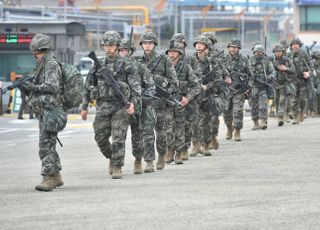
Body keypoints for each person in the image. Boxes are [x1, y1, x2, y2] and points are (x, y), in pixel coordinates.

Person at [81, 31, 141, 179]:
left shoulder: (127, 64)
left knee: (118, 138)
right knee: (100, 137)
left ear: (117, 46)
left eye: (111, 45)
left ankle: (117, 166)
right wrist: (84, 107)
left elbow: (135, 87)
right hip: (102, 106)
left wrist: (133, 103)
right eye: (106, 45)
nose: (108, 48)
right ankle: (112, 157)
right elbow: (88, 85)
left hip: (120, 107)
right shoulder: (98, 64)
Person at [21, 33, 67, 191]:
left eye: (36, 51)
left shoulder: (50, 64)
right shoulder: (42, 64)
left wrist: (33, 87)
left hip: (51, 111)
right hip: (45, 111)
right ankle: (56, 176)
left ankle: (48, 178)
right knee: (49, 144)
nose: (35, 54)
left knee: (45, 146)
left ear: (37, 49)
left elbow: (52, 87)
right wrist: (27, 87)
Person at [135, 32, 178, 173]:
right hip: (145, 103)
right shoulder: (136, 61)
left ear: (154, 44)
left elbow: (174, 82)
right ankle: (149, 161)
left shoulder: (163, 59)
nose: (147, 45)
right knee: (147, 133)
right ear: (141, 45)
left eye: (150, 43)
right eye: (145, 43)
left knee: (161, 134)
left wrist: (163, 86)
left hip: (160, 103)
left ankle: (161, 154)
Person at [118, 38, 156, 174]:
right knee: (118, 136)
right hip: (120, 108)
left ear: (131, 52)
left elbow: (151, 86)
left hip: (140, 106)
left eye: (126, 50)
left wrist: (142, 99)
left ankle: (143, 160)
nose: (124, 53)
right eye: (121, 50)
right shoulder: (114, 69)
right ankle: (116, 164)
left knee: (141, 135)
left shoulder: (140, 67)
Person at [165, 40, 201, 164]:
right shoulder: (163, 65)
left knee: (180, 128)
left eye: (174, 52)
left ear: (179, 54)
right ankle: (170, 150)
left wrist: (188, 98)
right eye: (170, 51)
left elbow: (196, 86)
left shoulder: (186, 67)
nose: (171, 54)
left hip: (181, 103)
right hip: (166, 103)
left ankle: (179, 153)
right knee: (168, 129)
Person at [223, 38, 252, 141]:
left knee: (238, 111)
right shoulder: (223, 59)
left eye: (235, 47)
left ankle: (237, 130)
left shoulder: (244, 60)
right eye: (231, 47)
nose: (233, 49)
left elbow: (250, 75)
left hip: (239, 90)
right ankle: (229, 128)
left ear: (238, 48)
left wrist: (248, 87)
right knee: (226, 111)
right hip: (226, 90)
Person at [248, 45, 276, 129]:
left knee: (263, 105)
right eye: (257, 52)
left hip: (263, 87)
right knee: (253, 107)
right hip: (253, 88)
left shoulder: (267, 61)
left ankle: (263, 121)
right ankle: (255, 122)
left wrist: (268, 78)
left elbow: (273, 72)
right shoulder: (250, 61)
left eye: (260, 52)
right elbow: (246, 71)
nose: (258, 53)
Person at [288, 38, 314, 124]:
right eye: (293, 44)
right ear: (291, 46)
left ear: (299, 45)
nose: (295, 46)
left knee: (302, 99)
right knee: (294, 100)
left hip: (303, 80)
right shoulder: (289, 55)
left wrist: (308, 73)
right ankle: (296, 117)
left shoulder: (304, 54)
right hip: (293, 80)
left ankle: (302, 112)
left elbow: (311, 66)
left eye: (297, 44)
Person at [271, 43, 296, 126]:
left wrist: (286, 69)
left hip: (284, 84)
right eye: (276, 51)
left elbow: (293, 71)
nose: (278, 53)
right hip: (275, 84)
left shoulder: (287, 60)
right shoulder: (271, 60)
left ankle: (281, 117)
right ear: (274, 52)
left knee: (282, 100)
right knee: (277, 101)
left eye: (279, 51)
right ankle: (280, 116)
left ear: (282, 52)